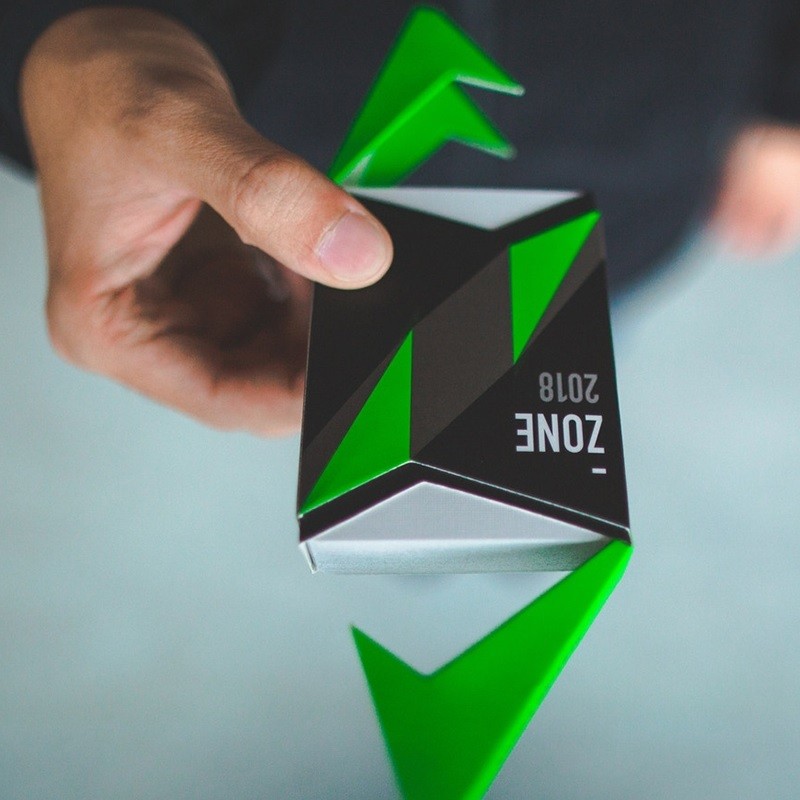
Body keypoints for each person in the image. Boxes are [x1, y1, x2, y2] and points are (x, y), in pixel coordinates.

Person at [1, 1, 799, 435]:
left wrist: (783, 92)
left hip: (631, 174)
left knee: (545, 379)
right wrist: (71, 38)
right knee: (375, 405)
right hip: (290, 148)